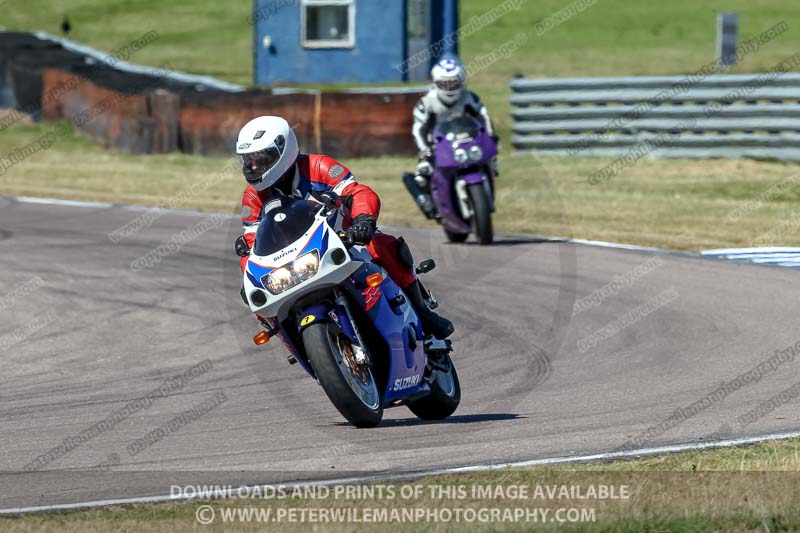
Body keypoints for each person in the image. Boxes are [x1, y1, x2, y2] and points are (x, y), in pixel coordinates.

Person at [234, 115, 454, 340]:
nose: (253, 166)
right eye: (248, 160)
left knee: (383, 247)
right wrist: (248, 277)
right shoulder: (253, 197)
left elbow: (357, 192)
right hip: (295, 259)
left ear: (283, 150)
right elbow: (251, 243)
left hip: (344, 239)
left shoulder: (318, 166)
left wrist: (363, 221)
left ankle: (422, 313)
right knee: (259, 297)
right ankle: (299, 344)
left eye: (260, 159)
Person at [411, 57, 498, 217]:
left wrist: (490, 136)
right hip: (436, 147)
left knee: (491, 159)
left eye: (454, 83)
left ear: (462, 81)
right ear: (436, 83)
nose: (450, 88)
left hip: (465, 141)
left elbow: (483, 116)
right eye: (445, 84)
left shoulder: (469, 96)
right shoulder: (426, 102)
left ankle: (488, 195)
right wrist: (425, 150)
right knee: (422, 175)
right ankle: (431, 205)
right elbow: (418, 129)